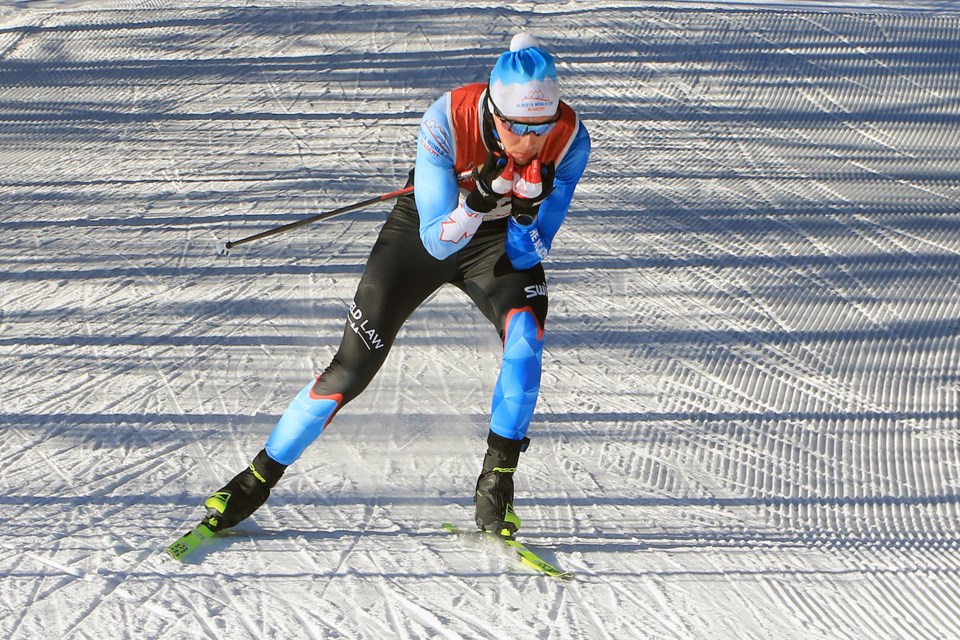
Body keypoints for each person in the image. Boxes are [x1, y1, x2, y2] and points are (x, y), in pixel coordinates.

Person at [199, 32, 591, 539]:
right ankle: (254, 481)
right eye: (518, 126)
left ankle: (497, 483)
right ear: (495, 114)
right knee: (351, 369)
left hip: (497, 245)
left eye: (542, 126)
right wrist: (476, 199)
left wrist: (521, 214)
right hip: (426, 233)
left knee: (525, 343)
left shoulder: (571, 138)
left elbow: (529, 251)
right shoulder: (446, 120)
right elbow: (438, 244)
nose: (531, 141)